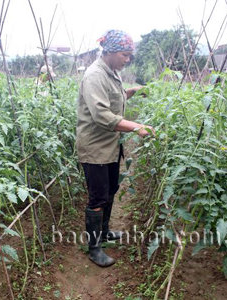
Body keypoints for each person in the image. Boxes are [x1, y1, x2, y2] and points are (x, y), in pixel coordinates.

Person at [76, 30, 154, 267]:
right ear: (109, 52)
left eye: (129, 55)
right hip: (95, 148)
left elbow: (113, 100)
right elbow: (101, 115)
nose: (127, 59)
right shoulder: (94, 76)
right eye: (125, 54)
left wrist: (131, 92)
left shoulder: (112, 73)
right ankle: (94, 248)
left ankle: (105, 231)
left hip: (109, 146)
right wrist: (137, 127)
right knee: (98, 197)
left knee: (110, 190)